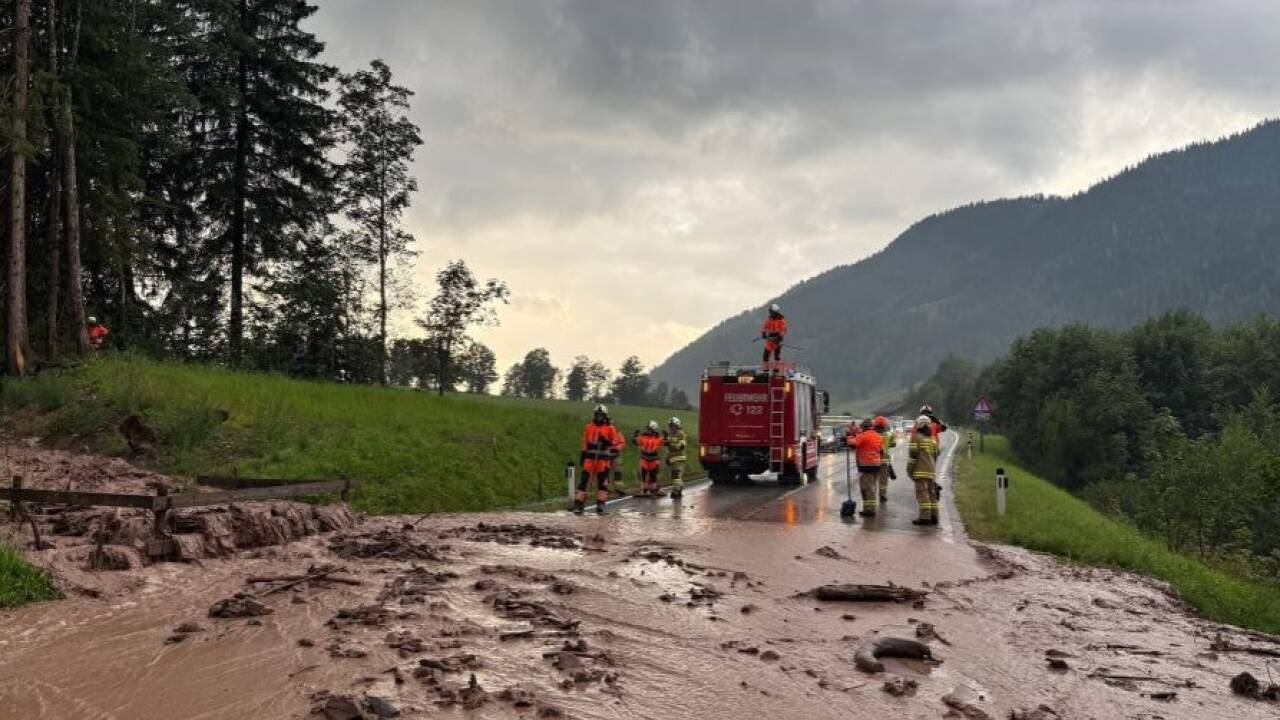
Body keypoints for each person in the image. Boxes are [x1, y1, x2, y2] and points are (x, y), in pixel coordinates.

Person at [578, 404, 625, 515]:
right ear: (595, 415)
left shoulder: (610, 428)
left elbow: (616, 442)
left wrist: (607, 442)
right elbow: (585, 442)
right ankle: (578, 503)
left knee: (602, 483)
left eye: (601, 415)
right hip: (590, 459)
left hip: (603, 460)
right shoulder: (588, 427)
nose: (599, 417)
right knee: (584, 482)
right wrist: (583, 455)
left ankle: (600, 504)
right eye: (597, 415)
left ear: (605, 416)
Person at [907, 416, 939, 526]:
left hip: (920, 471)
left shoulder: (916, 438)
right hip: (931, 471)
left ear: (918, 425)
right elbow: (935, 455)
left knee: (922, 494)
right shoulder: (932, 439)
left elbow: (913, 456)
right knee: (932, 494)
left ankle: (924, 518)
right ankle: (934, 516)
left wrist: (909, 470)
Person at [849, 418, 883, 517]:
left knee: (867, 488)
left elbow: (853, 443)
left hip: (866, 465)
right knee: (872, 487)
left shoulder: (864, 435)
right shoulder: (877, 436)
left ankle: (870, 510)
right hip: (876, 465)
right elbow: (881, 451)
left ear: (864, 427)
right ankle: (868, 508)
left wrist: (849, 436)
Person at [635, 420, 664, 497]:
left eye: (649, 429)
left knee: (653, 475)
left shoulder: (658, 438)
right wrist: (635, 437)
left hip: (654, 459)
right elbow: (637, 441)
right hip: (644, 458)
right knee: (642, 473)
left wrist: (666, 438)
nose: (647, 430)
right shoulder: (643, 437)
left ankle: (655, 488)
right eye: (647, 429)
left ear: (654, 430)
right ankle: (643, 490)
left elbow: (662, 443)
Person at [664, 417, 688, 499]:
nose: (671, 428)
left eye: (673, 426)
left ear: (677, 426)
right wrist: (665, 439)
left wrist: (671, 444)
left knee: (676, 474)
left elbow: (681, 446)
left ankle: (677, 490)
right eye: (670, 426)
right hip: (672, 458)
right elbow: (667, 444)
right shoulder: (670, 435)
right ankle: (679, 487)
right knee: (674, 475)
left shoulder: (681, 434)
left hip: (679, 457)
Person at [874, 415, 896, 504]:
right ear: (884, 425)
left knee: (873, 478)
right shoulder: (888, 435)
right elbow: (893, 444)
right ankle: (882, 494)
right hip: (885, 460)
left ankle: (872, 493)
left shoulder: (872, 435)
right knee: (883, 479)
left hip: (874, 460)